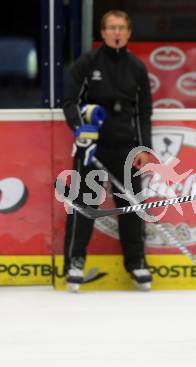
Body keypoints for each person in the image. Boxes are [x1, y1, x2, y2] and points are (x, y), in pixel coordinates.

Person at [62, 10, 153, 292]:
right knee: (84, 203)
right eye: (111, 27)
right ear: (102, 33)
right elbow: (70, 101)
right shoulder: (87, 63)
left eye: (121, 28)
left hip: (125, 148)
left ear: (128, 33)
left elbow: (143, 112)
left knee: (130, 207)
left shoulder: (137, 67)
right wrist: (81, 130)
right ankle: (74, 262)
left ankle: (136, 262)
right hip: (91, 147)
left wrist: (142, 147)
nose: (116, 32)